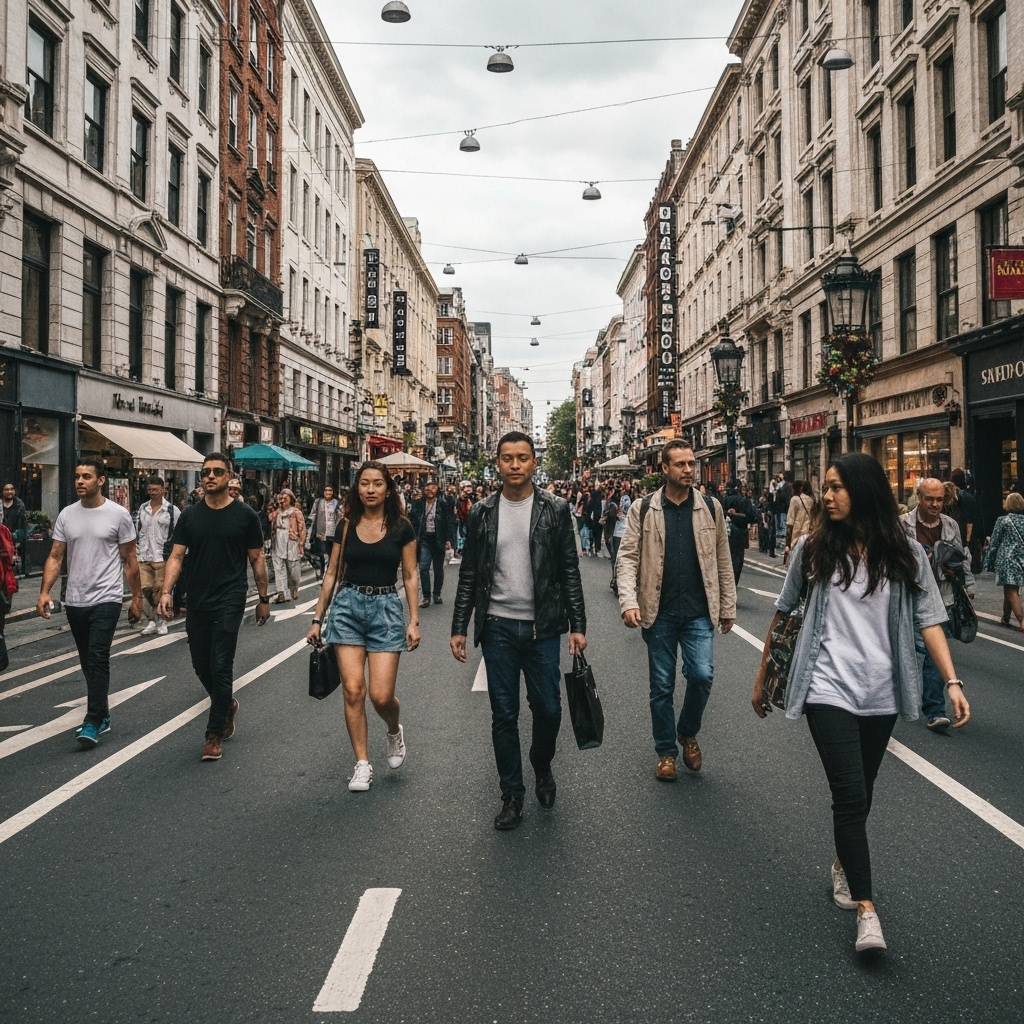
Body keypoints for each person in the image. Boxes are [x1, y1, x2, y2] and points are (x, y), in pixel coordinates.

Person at [751, 453, 969, 954]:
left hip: (883, 691)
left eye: (837, 488)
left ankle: (843, 863)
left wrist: (952, 682)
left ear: (864, 492)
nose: (827, 497)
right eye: (825, 488)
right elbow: (784, 615)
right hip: (826, 687)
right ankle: (867, 911)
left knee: (863, 789)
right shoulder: (812, 550)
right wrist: (763, 677)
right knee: (849, 795)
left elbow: (930, 619)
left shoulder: (906, 554)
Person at [451, 431, 586, 830]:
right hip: (497, 628)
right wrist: (460, 626)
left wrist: (577, 626)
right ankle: (512, 794)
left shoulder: (555, 509)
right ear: (497, 463)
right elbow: (470, 573)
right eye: (507, 458)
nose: (515, 465)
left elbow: (569, 571)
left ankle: (540, 763)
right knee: (503, 714)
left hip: (543, 628)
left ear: (533, 463)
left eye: (522, 458)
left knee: (549, 709)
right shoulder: (481, 512)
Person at [615, 440, 736, 781]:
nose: (688, 470)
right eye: (680, 464)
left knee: (702, 675)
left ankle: (688, 731)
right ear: (664, 468)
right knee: (662, 686)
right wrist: (629, 601)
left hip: (699, 610)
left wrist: (727, 605)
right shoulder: (644, 509)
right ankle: (666, 752)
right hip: (659, 610)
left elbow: (722, 560)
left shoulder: (711, 508)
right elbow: (626, 559)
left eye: (691, 464)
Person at [306, 462, 420, 793]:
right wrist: (317, 618)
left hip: (385, 609)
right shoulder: (346, 525)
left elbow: (410, 575)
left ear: (388, 489)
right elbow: (332, 573)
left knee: (381, 696)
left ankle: (394, 730)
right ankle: (362, 763)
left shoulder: (402, 528)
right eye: (364, 484)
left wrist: (413, 620)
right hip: (347, 608)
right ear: (357, 488)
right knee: (353, 689)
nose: (370, 489)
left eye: (377, 484)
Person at [159, 453, 269, 761]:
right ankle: (227, 704)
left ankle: (213, 733)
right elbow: (177, 556)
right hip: (198, 598)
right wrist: (166, 591)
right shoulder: (190, 516)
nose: (210, 476)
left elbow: (257, 558)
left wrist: (263, 599)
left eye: (217, 472)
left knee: (221, 663)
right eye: (205, 472)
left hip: (230, 597)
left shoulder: (245, 515)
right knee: (200, 664)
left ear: (229, 477)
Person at [36, 459, 143, 748]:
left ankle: (93, 720)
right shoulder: (67, 515)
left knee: (97, 657)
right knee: (87, 660)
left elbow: (129, 560)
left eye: (86, 476)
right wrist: (45, 591)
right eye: (77, 476)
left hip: (106, 598)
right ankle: (103, 712)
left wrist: (136, 598)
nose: (80, 481)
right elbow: (56, 556)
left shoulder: (118, 515)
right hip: (75, 600)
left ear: (100, 481)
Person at [900, 478, 975, 729]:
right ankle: (892, 699)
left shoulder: (951, 525)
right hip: (909, 599)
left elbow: (962, 558)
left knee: (934, 654)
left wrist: (969, 585)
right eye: (930, 499)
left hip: (942, 598)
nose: (935, 504)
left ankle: (934, 709)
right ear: (918, 498)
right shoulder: (901, 525)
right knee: (901, 651)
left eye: (940, 499)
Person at [134, 477, 178, 637]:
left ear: (163, 490)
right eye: (150, 490)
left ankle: (159, 621)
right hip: (144, 554)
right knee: (146, 588)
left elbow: (179, 533)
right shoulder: (143, 508)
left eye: (155, 490)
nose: (152, 493)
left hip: (162, 555)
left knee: (158, 590)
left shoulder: (172, 510)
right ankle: (153, 618)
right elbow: (137, 528)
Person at [410, 480, 457, 608]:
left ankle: (436, 593)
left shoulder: (444, 504)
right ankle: (426, 596)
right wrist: (413, 502)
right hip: (424, 539)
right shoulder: (419, 504)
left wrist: (449, 540)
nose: (430, 490)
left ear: (437, 489)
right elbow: (413, 520)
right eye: (427, 487)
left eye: (433, 488)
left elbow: (450, 522)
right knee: (424, 568)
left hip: (439, 539)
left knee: (438, 568)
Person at [983, 491, 1024, 631]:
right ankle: (1006, 617)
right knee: (1010, 589)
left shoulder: (1003, 520)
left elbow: (994, 543)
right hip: (1021, 559)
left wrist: (987, 563)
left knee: (1011, 590)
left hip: (1007, 559)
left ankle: (1022, 621)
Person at [269, 489, 306, 603]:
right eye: (281, 498)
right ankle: (282, 593)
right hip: (278, 541)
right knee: (279, 568)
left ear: (290, 499)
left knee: (293, 569)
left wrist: (301, 542)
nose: (283, 500)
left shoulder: (296, 512)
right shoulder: (277, 512)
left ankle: (294, 588)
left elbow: (302, 527)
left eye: (285, 498)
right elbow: (270, 520)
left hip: (291, 541)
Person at [722, 480, 758, 583]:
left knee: (728, 557)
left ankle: (727, 580)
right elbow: (752, 516)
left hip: (727, 531)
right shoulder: (744, 500)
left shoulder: (724, 500)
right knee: (738, 558)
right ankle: (734, 580)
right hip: (741, 530)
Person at [308, 485, 341, 580]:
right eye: (326, 490)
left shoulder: (337, 502)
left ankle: (329, 573)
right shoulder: (318, 502)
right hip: (321, 533)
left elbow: (341, 515)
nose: (328, 492)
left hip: (333, 533)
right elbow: (312, 516)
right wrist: (308, 534)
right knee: (323, 554)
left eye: (330, 490)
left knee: (332, 555)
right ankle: (325, 573)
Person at [784, 481, 816, 565]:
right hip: (808, 533)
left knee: (795, 563)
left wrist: (787, 544)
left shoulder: (795, 500)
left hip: (796, 535)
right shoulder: (811, 500)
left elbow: (790, 522)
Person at [0, 483, 27, 576]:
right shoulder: (0, 504)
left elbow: (21, 524)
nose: (9, 492)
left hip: (13, 538)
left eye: (11, 489)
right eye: (6, 489)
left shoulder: (19, 504)